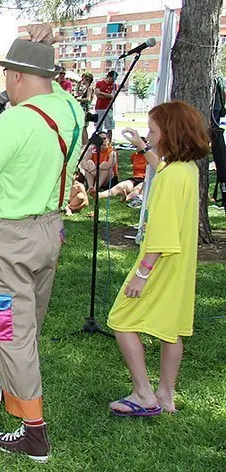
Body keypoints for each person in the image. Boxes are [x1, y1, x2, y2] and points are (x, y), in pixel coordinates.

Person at [0, 26, 83, 462]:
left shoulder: (16, 118)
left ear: (16, 77)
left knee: (9, 329)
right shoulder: (71, 108)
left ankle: (33, 433)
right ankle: (11, 385)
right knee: (27, 321)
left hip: (9, 239)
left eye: (9, 73)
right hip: (49, 231)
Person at [106, 104, 208, 417]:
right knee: (170, 330)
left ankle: (143, 394)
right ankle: (165, 395)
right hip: (181, 265)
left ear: (171, 133)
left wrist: (141, 274)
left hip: (159, 263)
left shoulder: (170, 179)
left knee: (121, 320)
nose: (150, 135)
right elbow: (161, 168)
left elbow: (161, 236)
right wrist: (143, 146)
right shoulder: (186, 169)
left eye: (153, 130)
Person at [95, 70, 118, 143]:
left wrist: (103, 95)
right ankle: (99, 142)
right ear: (108, 76)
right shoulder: (100, 83)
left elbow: (113, 96)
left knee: (109, 126)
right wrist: (109, 96)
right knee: (99, 126)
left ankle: (109, 143)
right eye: (112, 79)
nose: (113, 81)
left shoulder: (114, 85)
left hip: (109, 108)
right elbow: (97, 93)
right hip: (99, 107)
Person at [74, 72, 95, 145]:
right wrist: (78, 86)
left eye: (83, 78)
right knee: (82, 126)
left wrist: (78, 100)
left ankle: (85, 143)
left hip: (85, 109)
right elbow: (77, 94)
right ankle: (83, 142)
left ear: (87, 79)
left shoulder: (89, 88)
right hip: (82, 108)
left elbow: (88, 98)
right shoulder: (85, 88)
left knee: (84, 127)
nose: (82, 80)